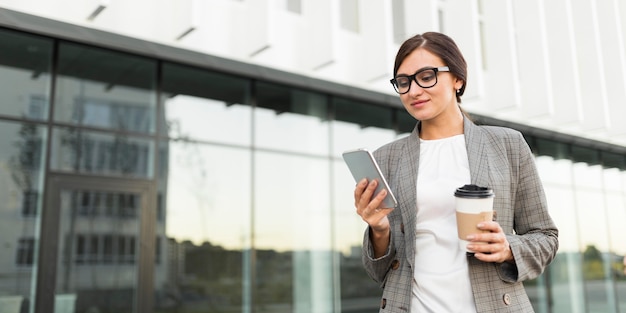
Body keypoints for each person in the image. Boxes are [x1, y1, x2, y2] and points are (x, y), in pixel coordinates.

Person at [353, 32, 559, 312]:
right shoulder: (386, 159)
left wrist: (507, 248)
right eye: (403, 82)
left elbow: (545, 237)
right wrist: (378, 230)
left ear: (458, 79)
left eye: (426, 77)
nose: (413, 91)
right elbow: (378, 271)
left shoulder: (507, 144)